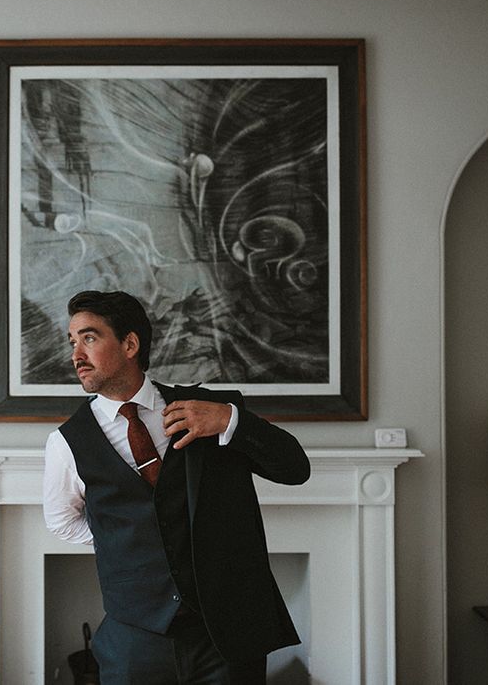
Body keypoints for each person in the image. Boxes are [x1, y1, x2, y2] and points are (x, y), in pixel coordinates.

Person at [43, 290, 310, 684]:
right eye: (72, 342)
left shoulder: (211, 409)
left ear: (130, 344)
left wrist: (230, 421)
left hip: (226, 634)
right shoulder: (66, 442)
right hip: (134, 642)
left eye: (89, 338)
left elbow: (294, 469)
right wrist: (130, 541)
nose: (76, 355)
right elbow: (62, 521)